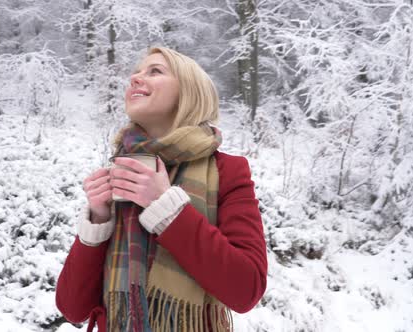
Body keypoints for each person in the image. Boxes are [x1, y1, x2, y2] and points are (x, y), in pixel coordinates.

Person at [55, 46, 267, 332]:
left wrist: (167, 208)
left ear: (190, 92)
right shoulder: (122, 169)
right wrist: (98, 219)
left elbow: (245, 290)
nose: (136, 79)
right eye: (135, 73)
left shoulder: (227, 171)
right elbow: (72, 307)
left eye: (154, 71)